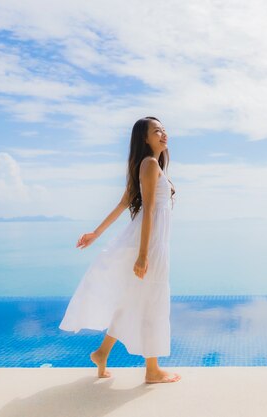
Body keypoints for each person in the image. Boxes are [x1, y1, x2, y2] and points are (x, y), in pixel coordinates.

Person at [59, 116, 181, 384]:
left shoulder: (151, 166)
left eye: (163, 129)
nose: (163, 134)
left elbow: (124, 202)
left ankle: (102, 353)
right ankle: (152, 370)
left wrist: (96, 233)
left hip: (151, 242)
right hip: (149, 244)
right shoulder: (149, 164)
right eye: (156, 131)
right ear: (144, 139)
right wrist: (143, 254)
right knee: (152, 301)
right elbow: (146, 209)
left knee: (134, 299)